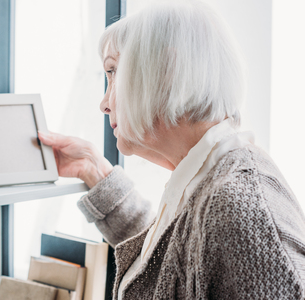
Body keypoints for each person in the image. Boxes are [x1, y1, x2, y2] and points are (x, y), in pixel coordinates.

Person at [38, 0, 305, 299]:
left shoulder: (238, 209)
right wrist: (94, 170)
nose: (104, 104)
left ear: (167, 71)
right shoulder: (210, 178)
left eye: (113, 71)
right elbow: (175, 263)